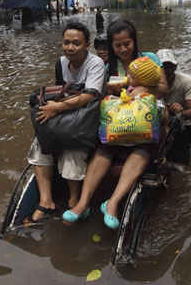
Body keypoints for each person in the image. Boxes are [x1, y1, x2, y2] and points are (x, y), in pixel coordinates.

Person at [63, 20, 168, 229]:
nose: (123, 49)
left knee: (143, 148)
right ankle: (83, 203)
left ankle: (112, 203)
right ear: (111, 46)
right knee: (104, 147)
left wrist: (142, 89)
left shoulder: (149, 59)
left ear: (134, 41)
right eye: (118, 45)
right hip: (120, 121)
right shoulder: (109, 67)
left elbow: (163, 88)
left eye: (127, 43)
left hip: (145, 120)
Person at [27, 22, 106, 222]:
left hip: (87, 117)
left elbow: (90, 96)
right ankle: (46, 201)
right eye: (66, 43)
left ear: (86, 45)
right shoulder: (61, 63)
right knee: (40, 142)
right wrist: (53, 109)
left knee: (73, 148)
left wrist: (57, 109)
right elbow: (59, 92)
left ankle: (74, 198)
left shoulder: (95, 63)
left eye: (76, 43)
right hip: (66, 113)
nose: (70, 48)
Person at [157, 50, 191, 164]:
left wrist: (180, 112)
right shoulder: (151, 84)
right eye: (163, 67)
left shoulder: (187, 81)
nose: (166, 70)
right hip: (169, 122)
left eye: (169, 66)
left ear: (175, 67)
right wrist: (169, 109)